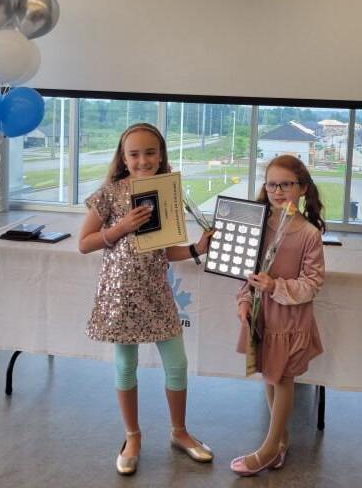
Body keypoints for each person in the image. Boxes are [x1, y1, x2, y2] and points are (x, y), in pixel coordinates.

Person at [78, 122, 214, 475]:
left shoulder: (165, 192)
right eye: (134, 154)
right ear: (123, 158)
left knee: (177, 364)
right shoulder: (109, 194)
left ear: (161, 155)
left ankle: (179, 432)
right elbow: (84, 243)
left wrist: (197, 248)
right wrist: (121, 228)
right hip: (120, 295)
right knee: (125, 366)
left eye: (150, 152)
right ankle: (132, 437)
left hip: (156, 292)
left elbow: (165, 250)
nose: (143, 160)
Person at [231, 154, 326, 476]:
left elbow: (312, 284)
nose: (278, 191)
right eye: (272, 184)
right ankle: (281, 440)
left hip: (291, 321)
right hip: (263, 317)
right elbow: (247, 273)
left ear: (302, 188)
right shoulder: (257, 225)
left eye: (286, 184)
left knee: (283, 378)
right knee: (269, 376)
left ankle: (269, 448)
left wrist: (275, 286)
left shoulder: (309, 234)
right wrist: (245, 300)